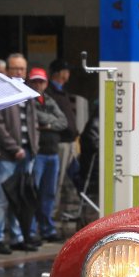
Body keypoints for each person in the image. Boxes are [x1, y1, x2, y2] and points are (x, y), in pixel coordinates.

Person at [0, 52, 39, 253]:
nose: (19, 72)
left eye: (22, 69)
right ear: (8, 71)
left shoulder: (28, 92)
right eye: (15, 68)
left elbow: (34, 122)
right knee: (1, 198)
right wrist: (14, 147)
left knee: (20, 198)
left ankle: (18, 237)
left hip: (28, 153)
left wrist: (34, 146)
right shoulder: (1, 93)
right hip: (7, 155)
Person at [27, 67, 68, 240]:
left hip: (52, 153)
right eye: (35, 81)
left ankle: (47, 229)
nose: (38, 84)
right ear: (30, 82)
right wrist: (51, 121)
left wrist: (48, 125)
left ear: (45, 83)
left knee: (49, 194)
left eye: (41, 81)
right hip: (37, 153)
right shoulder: (27, 100)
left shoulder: (49, 99)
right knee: (33, 192)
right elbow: (36, 118)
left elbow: (63, 122)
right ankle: (30, 230)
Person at [46, 58, 85, 235]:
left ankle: (62, 215)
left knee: (73, 179)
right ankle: (51, 220)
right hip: (60, 142)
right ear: (59, 73)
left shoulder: (62, 92)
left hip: (71, 142)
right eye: (66, 71)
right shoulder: (50, 92)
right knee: (57, 182)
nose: (68, 74)